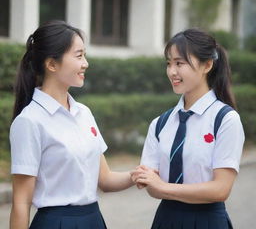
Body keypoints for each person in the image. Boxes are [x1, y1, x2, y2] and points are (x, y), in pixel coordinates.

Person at [9, 20, 134, 229]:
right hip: (56, 223)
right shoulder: (29, 121)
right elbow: (21, 203)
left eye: (84, 55)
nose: (86, 63)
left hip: (94, 220)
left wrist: (139, 174)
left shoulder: (83, 113)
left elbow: (105, 179)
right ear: (52, 64)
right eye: (79, 55)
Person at [131, 28, 244, 229]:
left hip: (208, 221)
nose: (172, 71)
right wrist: (154, 185)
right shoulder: (160, 124)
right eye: (169, 63)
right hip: (166, 219)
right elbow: (151, 186)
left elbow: (220, 189)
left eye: (179, 63)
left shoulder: (225, 120)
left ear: (207, 64)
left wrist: (163, 187)